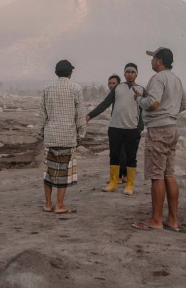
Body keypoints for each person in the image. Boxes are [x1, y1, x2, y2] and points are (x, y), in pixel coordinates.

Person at [130, 47, 186, 232]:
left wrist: (140, 100)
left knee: (156, 175)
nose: (151, 61)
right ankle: (172, 220)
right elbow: (185, 103)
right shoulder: (176, 79)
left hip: (158, 130)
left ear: (159, 61)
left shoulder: (158, 78)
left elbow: (153, 103)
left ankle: (155, 220)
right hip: (172, 128)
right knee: (169, 174)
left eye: (153, 58)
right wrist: (170, 112)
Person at [87, 65, 144, 195]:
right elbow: (105, 103)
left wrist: (140, 127)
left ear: (136, 75)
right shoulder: (118, 88)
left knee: (131, 158)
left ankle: (129, 184)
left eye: (132, 72)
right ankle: (113, 182)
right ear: (124, 74)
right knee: (114, 155)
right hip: (115, 128)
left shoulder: (141, 89)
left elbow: (145, 109)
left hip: (132, 129)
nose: (130, 74)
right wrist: (89, 116)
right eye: (127, 72)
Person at [40, 60, 86, 212]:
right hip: (67, 137)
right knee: (63, 172)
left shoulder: (47, 88)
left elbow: (42, 114)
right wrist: (81, 134)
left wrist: (41, 131)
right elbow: (80, 115)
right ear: (70, 73)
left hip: (51, 136)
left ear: (56, 72)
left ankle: (48, 204)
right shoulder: (76, 88)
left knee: (49, 171)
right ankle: (59, 205)